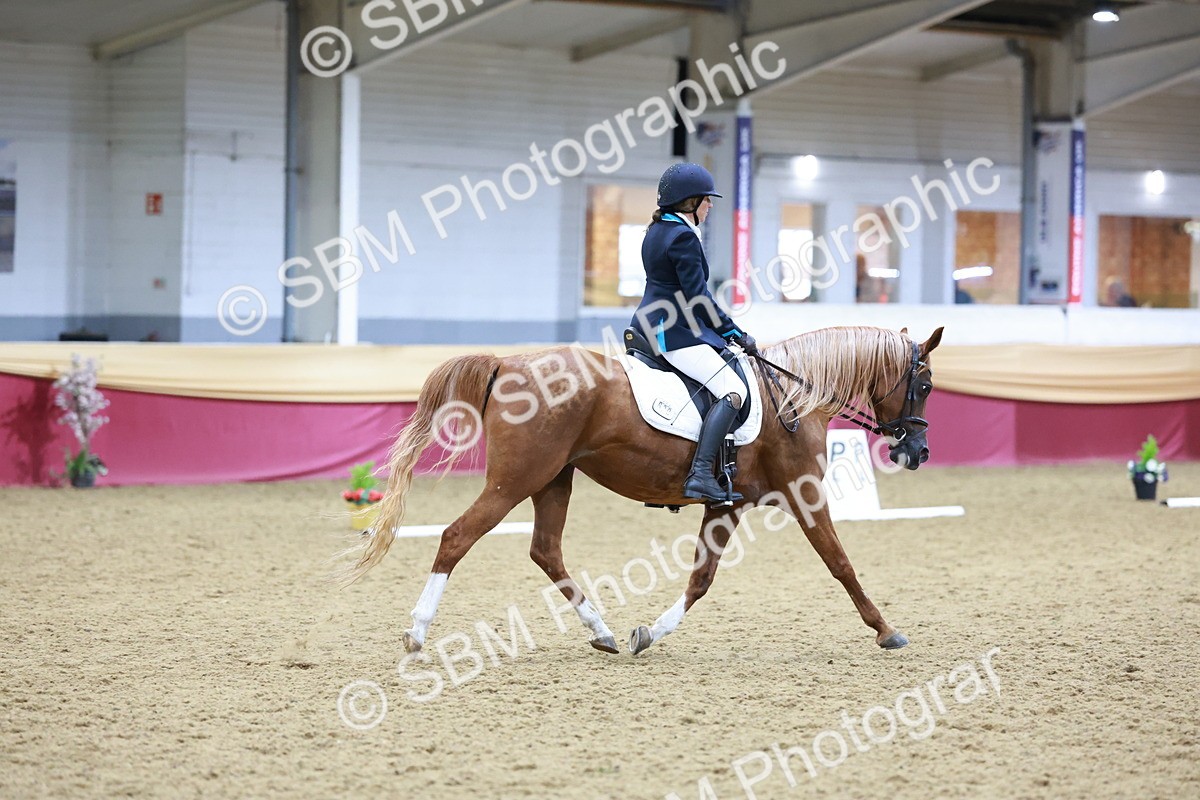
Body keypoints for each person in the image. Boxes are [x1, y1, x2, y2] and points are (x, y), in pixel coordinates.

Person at [630, 163, 757, 503]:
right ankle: (701, 474)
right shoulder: (683, 236)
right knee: (733, 390)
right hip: (672, 332)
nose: (710, 206)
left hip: (647, 323)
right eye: (706, 200)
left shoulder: (656, 231)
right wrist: (733, 331)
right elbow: (698, 297)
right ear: (689, 202)